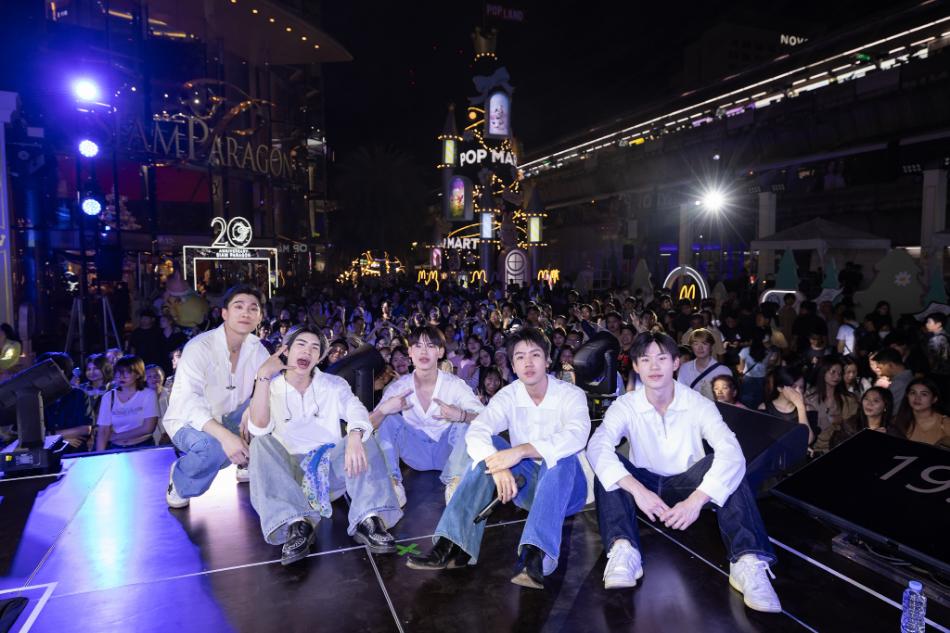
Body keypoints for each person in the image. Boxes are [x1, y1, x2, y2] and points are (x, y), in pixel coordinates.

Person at [586, 331, 781, 612]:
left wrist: (696, 500)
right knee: (609, 464)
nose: (654, 366)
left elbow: (731, 451)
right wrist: (637, 490)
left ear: (676, 363)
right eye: (645, 359)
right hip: (646, 483)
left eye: (662, 358)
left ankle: (747, 561)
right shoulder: (626, 405)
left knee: (728, 464)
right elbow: (597, 445)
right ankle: (623, 548)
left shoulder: (698, 404)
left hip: (687, 483)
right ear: (636, 366)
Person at [407, 328, 591, 590]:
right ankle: (452, 544)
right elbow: (478, 430)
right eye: (520, 357)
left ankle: (534, 554)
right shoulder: (509, 395)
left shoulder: (571, 394)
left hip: (567, 491)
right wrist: (497, 466)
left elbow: (577, 436)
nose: (528, 363)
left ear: (548, 360)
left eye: (535, 355)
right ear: (513, 366)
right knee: (488, 445)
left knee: (561, 457)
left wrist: (521, 450)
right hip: (525, 487)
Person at [246, 326, 402, 565]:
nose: (307, 351)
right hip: (288, 479)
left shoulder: (333, 384)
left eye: (314, 348)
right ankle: (296, 525)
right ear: (286, 351)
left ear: (319, 358)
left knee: (363, 436)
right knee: (260, 444)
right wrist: (263, 376)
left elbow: (355, 409)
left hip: (328, 470)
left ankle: (370, 519)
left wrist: (354, 434)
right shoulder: (271, 387)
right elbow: (258, 429)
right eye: (301, 345)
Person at [163, 285, 271, 508]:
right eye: (238, 306)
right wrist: (226, 437)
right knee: (212, 450)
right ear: (224, 313)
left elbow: (275, 386)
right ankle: (181, 479)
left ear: (259, 317)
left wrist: (253, 406)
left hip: (231, 415)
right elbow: (188, 402)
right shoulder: (199, 347)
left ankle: (244, 461)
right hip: (189, 422)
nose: (246, 313)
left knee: (270, 407)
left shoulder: (257, 348)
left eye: (253, 308)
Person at [371, 325, 485, 506]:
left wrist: (462, 415)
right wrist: (384, 410)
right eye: (417, 346)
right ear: (410, 352)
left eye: (430, 346)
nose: (423, 351)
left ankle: (455, 483)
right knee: (388, 417)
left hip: (448, 453)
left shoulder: (454, 385)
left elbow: (486, 418)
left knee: (464, 422)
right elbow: (366, 425)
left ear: (440, 352)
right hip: (414, 452)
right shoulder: (399, 387)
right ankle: (392, 484)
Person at [95, 355, 160, 451]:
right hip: (116, 448)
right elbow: (103, 430)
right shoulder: (108, 397)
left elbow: (148, 428)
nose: (121, 377)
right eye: (118, 373)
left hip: (142, 447)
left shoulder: (148, 394)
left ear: (138, 374)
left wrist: (116, 436)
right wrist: (100, 455)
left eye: (127, 372)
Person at [37, 352, 93, 454]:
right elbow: (34, 434)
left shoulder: (78, 395)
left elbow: (85, 429)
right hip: (47, 453)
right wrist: (60, 438)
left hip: (75, 452)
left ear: (62, 371)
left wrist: (52, 434)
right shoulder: (37, 397)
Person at [806, 357, 859, 454]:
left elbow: (854, 427)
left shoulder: (849, 399)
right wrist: (829, 420)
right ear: (822, 371)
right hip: (813, 451)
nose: (837, 376)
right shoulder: (809, 397)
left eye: (840, 373)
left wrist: (842, 421)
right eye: (833, 372)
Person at [760, 366, 815, 444]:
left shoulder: (808, 409)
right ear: (780, 388)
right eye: (794, 387)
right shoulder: (765, 408)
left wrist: (801, 407)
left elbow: (808, 440)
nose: (798, 391)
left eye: (801, 387)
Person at [890, 377, 950, 449]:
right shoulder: (897, 420)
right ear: (907, 396)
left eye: (924, 394)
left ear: (934, 399)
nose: (917, 398)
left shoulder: (945, 423)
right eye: (913, 393)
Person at [826, 387, 893, 449]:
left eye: (875, 401)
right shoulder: (850, 425)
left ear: (885, 406)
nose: (869, 404)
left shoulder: (891, 431)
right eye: (866, 399)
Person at [677, 329, 731, 401]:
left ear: (711, 346)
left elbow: (727, 400)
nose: (700, 348)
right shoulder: (684, 368)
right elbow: (681, 395)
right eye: (696, 344)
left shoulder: (723, 371)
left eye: (704, 343)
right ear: (692, 347)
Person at [869, 347, 913, 416]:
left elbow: (891, 410)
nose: (880, 372)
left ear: (890, 365)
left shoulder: (900, 383)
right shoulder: (906, 379)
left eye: (881, 368)